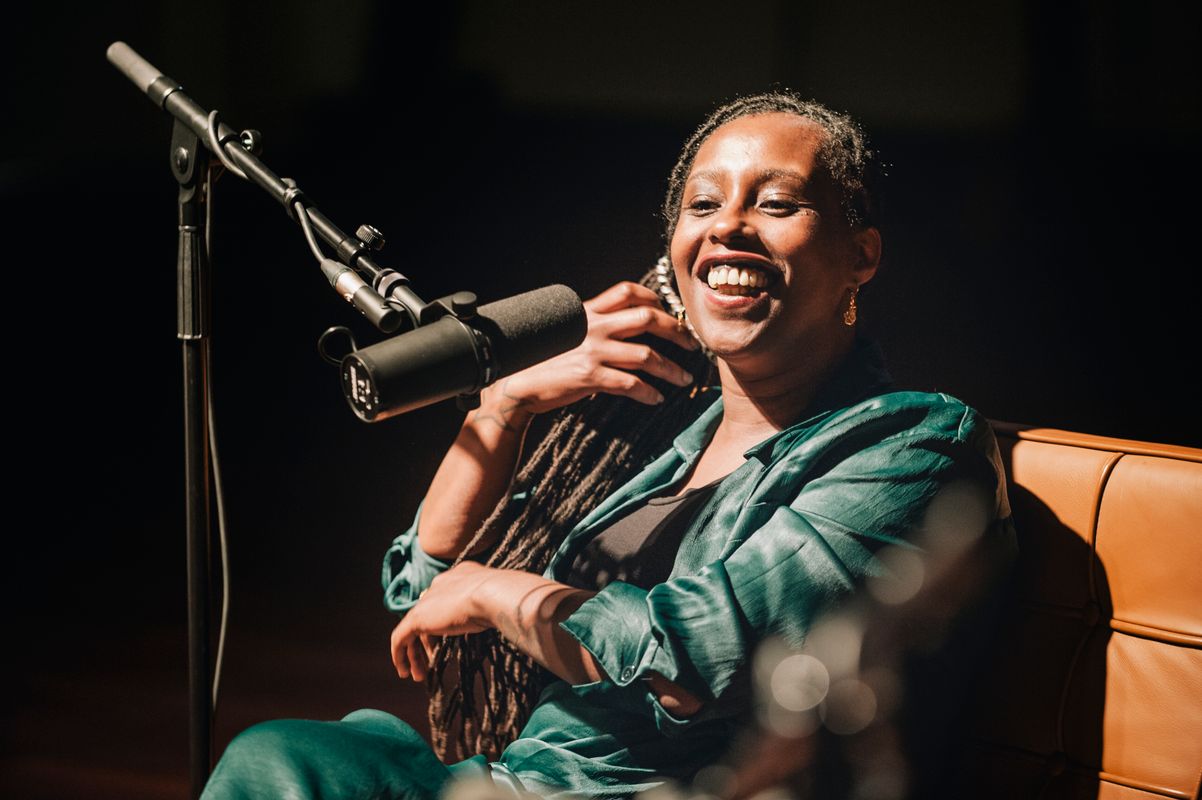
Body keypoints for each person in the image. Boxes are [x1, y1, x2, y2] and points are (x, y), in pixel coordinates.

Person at [202, 92, 1013, 800]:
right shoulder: (660, 430)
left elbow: (700, 657)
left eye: (776, 203)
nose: (728, 225)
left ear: (860, 255)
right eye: (703, 204)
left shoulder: (910, 441)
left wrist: (500, 594)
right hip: (519, 780)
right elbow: (423, 588)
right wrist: (504, 404)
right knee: (285, 756)